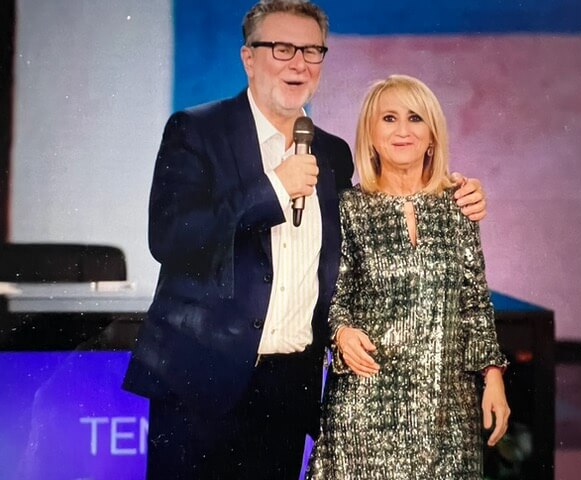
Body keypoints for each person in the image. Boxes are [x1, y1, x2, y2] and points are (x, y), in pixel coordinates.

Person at [122, 1, 488, 479]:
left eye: (312, 51)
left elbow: (370, 229)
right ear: (248, 58)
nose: (298, 63)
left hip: (287, 390)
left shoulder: (332, 152)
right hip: (200, 383)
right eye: (282, 48)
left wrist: (452, 192)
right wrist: (274, 188)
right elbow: (170, 237)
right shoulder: (197, 129)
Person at [306, 74, 510, 479]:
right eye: (389, 118)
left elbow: (473, 302)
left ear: (432, 136)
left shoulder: (459, 204)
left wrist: (493, 377)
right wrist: (342, 333)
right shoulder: (347, 208)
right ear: (371, 134)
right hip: (365, 406)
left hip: (447, 410)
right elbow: (332, 296)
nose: (403, 130)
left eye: (415, 118)